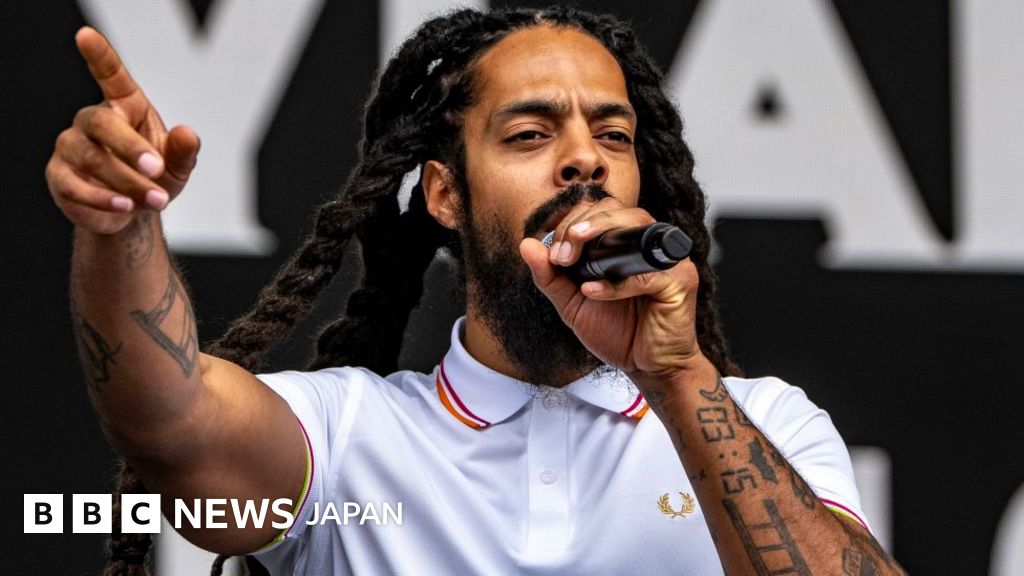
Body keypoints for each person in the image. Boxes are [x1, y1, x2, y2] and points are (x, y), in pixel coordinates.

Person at [46, 6, 905, 576]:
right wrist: (121, 227)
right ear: (445, 194)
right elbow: (168, 427)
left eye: (614, 135)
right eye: (530, 133)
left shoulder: (767, 423)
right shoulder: (349, 437)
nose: (585, 158)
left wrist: (676, 377)